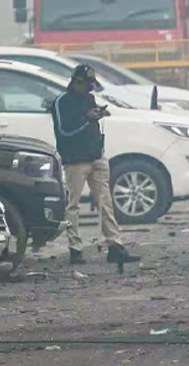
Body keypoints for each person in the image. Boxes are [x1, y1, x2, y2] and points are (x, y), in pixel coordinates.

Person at [52, 64, 139, 265]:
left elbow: (90, 123)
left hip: (96, 157)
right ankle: (75, 249)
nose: (90, 89)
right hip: (75, 161)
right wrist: (87, 119)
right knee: (72, 205)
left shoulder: (88, 98)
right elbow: (64, 132)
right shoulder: (61, 103)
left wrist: (96, 117)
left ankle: (115, 246)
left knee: (105, 203)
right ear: (77, 82)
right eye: (88, 84)